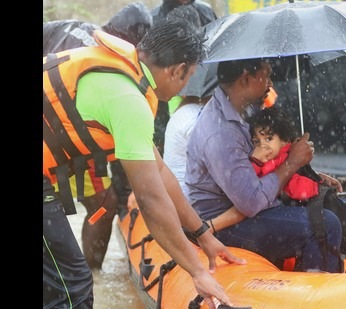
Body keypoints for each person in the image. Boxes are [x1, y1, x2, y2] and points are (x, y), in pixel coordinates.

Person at [43, 17, 245, 309]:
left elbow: (160, 172)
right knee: (72, 285)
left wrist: (202, 234)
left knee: (61, 280)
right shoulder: (128, 100)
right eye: (187, 78)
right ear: (177, 70)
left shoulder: (124, 74)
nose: (183, 88)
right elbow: (150, 199)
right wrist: (197, 272)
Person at [185, 58, 344, 273]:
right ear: (245, 79)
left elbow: (266, 164)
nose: (270, 83)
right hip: (221, 226)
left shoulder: (244, 110)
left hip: (246, 209)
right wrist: (293, 162)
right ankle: (318, 296)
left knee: (323, 203)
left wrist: (306, 173)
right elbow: (251, 202)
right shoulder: (221, 134)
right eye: (266, 75)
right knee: (326, 224)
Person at [42, 1, 152, 270]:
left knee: (100, 205)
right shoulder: (98, 58)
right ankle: (84, 273)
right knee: (100, 206)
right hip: (59, 134)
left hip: (70, 133)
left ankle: (86, 274)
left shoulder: (79, 32)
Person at [150, 0, 218, 156]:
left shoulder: (206, 12)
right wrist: (160, 137)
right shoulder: (153, 20)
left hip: (204, 96)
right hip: (163, 102)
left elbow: (217, 58)